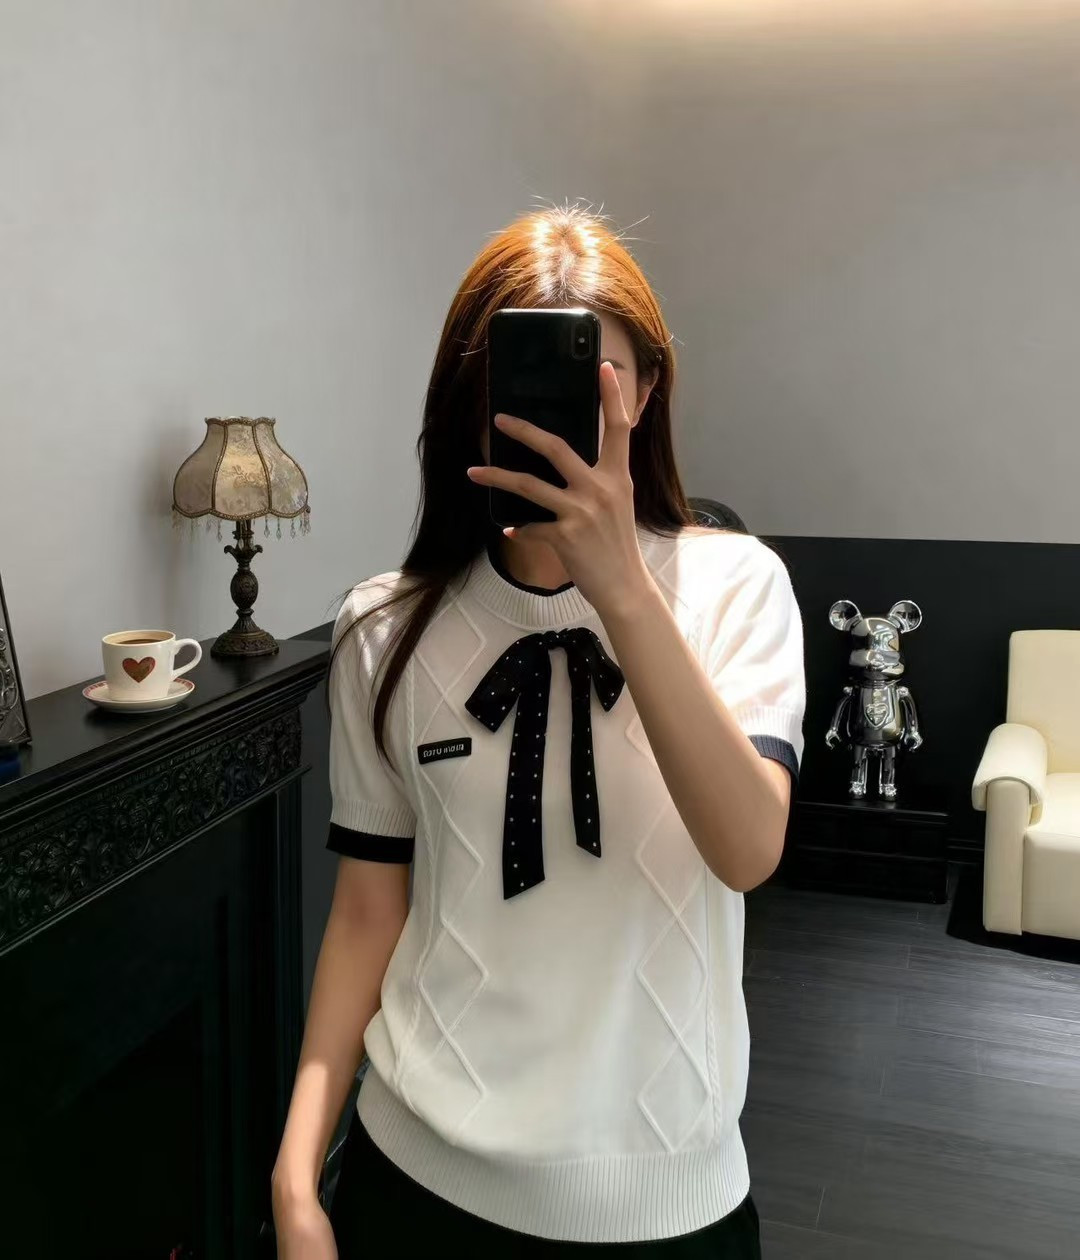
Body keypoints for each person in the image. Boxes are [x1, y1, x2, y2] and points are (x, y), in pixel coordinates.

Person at [271, 205, 806, 1258]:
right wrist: (296, 1176)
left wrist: (623, 594)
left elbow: (748, 849)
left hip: (668, 1205)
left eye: (597, 380)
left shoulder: (735, 588)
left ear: (645, 393)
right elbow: (368, 913)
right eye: (512, 384)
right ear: (468, 404)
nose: (551, 418)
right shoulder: (385, 628)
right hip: (412, 1179)